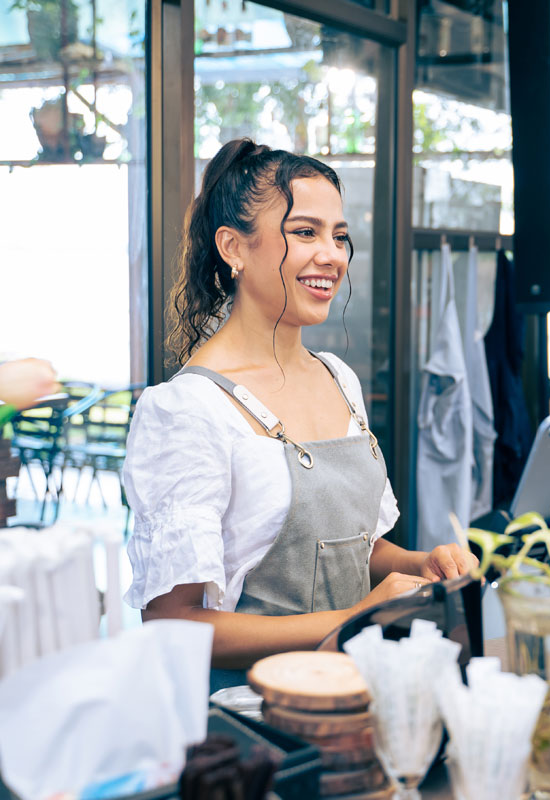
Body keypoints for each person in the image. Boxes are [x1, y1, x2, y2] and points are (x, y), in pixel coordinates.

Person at [123, 139, 477, 689]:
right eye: (305, 232)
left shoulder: (338, 377)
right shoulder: (187, 410)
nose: (332, 255)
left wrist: (421, 564)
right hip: (250, 723)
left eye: (339, 236)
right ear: (233, 248)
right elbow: (172, 622)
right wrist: (353, 620)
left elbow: (357, 549)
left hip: (353, 696)